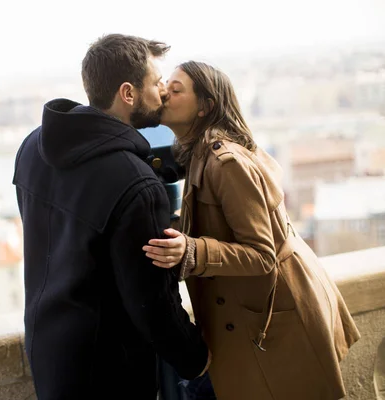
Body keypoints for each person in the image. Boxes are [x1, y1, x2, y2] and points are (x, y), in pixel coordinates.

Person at [143, 61, 361, 400]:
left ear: (205, 107)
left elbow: (262, 254)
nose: (164, 94)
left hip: (275, 319)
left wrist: (192, 251)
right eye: (164, 86)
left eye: (176, 89)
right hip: (256, 316)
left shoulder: (225, 163)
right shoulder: (201, 151)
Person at [12, 35, 209, 400]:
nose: (163, 92)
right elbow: (152, 303)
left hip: (50, 354)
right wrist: (197, 359)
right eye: (155, 83)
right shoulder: (136, 187)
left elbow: (89, 187)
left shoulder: (32, 150)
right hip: (109, 373)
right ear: (128, 93)